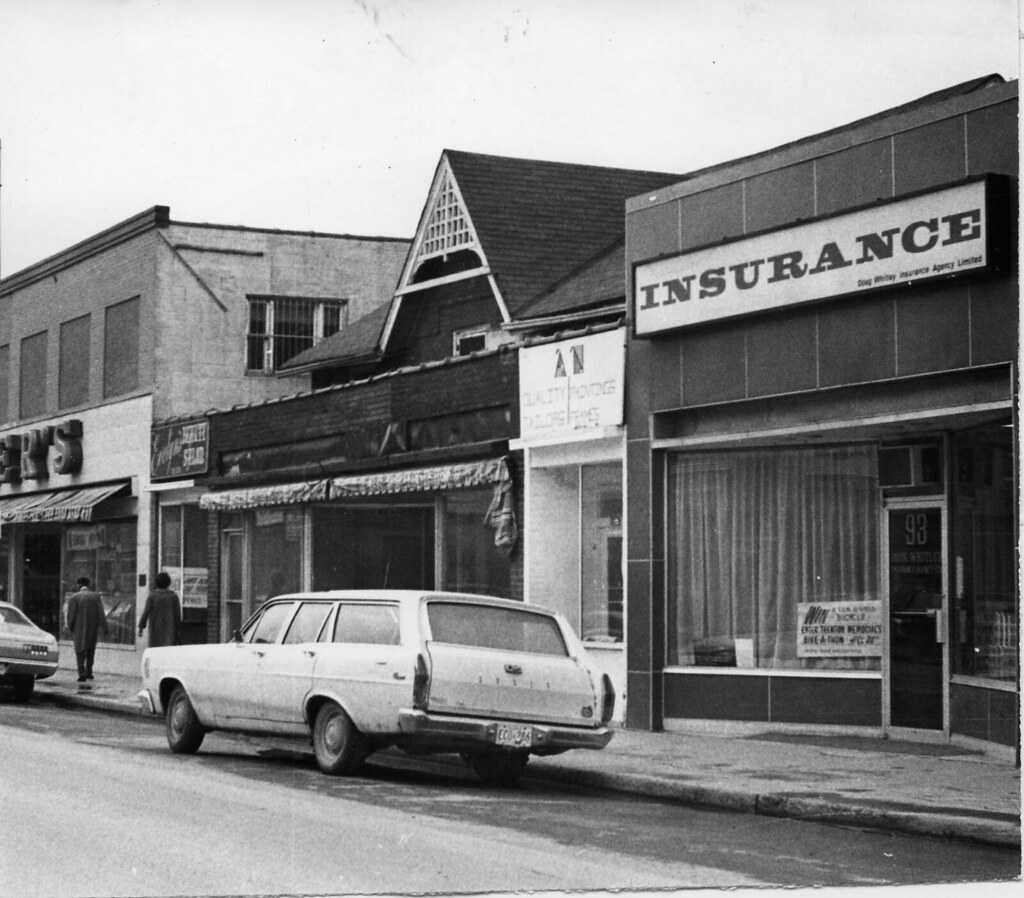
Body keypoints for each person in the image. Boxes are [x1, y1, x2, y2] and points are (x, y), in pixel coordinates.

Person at [66, 577, 109, 687]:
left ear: (78, 585)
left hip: (78, 628)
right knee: (90, 650)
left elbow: (71, 615)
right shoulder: (96, 597)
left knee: (79, 651)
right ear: (88, 585)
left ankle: (82, 673)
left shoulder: (74, 598)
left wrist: (69, 627)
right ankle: (89, 672)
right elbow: (101, 614)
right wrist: (105, 628)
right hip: (92, 628)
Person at [138, 571, 182, 647]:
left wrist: (141, 627)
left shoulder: (152, 596)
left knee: (156, 650)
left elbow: (146, 612)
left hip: (156, 630)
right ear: (169, 583)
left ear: (156, 583)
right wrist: (179, 630)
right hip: (170, 630)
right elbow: (177, 615)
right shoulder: (174, 597)